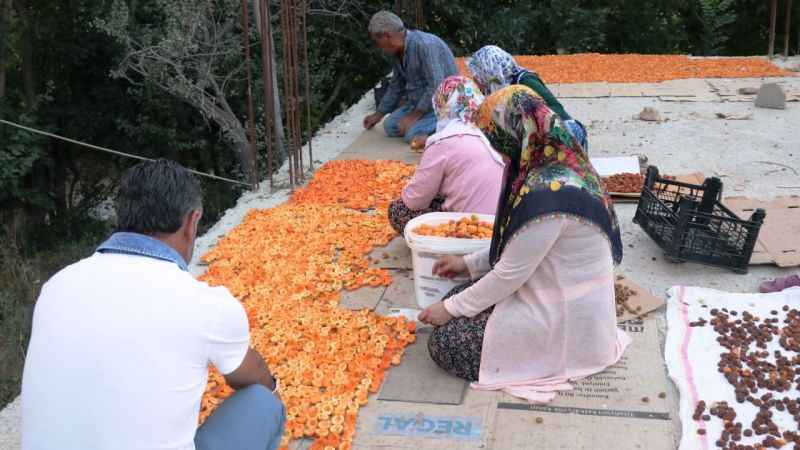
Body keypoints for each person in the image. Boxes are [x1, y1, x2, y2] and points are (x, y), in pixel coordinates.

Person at [21, 160, 285, 450]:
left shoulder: (57, 286)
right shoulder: (205, 304)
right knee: (263, 402)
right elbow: (253, 377)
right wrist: (273, 387)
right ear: (192, 221)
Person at [418, 85, 630, 402]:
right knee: (458, 296)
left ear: (515, 134)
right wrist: (467, 264)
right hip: (558, 289)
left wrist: (449, 309)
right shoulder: (561, 163)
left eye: (497, 142)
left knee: (446, 342)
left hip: (567, 319)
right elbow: (518, 246)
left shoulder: (549, 192)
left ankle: (547, 358)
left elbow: (509, 274)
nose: (498, 153)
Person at [388, 75, 504, 235]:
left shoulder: (442, 142)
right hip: (501, 225)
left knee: (398, 210)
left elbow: (414, 201)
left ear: (443, 105)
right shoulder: (491, 132)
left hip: (469, 227)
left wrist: (408, 187)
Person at [467, 45, 589, 153]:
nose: (476, 80)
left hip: (563, 132)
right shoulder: (501, 88)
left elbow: (553, 111)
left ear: (489, 72)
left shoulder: (525, 80)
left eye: (478, 75)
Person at [363, 10, 459, 147]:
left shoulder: (425, 45)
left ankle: (450, 127)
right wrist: (378, 115)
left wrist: (413, 116)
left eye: (377, 42)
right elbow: (396, 85)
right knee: (390, 126)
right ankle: (425, 123)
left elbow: (436, 86)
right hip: (419, 102)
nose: (379, 47)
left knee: (412, 136)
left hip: (443, 103)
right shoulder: (398, 52)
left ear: (386, 36)